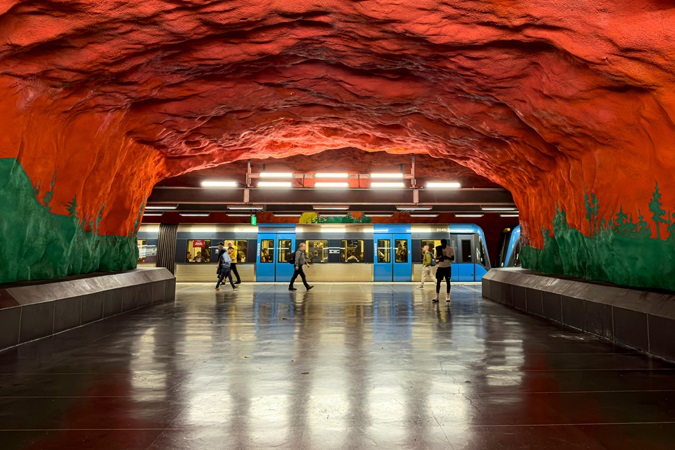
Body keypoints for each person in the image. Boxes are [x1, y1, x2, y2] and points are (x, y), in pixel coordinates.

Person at [434, 239, 455, 304]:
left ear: (446, 243)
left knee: (448, 282)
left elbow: (452, 258)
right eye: (442, 243)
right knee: (438, 282)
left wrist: (446, 257)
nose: (443, 244)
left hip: (447, 267)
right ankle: (437, 297)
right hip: (440, 267)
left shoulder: (450, 249)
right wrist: (439, 258)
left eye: (444, 243)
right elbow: (436, 259)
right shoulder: (438, 248)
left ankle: (448, 296)